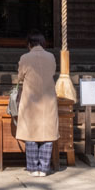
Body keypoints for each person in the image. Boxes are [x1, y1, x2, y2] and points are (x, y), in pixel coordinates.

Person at [15, 31, 59, 176]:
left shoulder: (25, 58)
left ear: (29, 44)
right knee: (47, 133)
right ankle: (44, 168)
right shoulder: (51, 57)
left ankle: (33, 168)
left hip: (30, 100)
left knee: (31, 133)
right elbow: (52, 71)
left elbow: (20, 76)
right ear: (43, 43)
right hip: (48, 99)